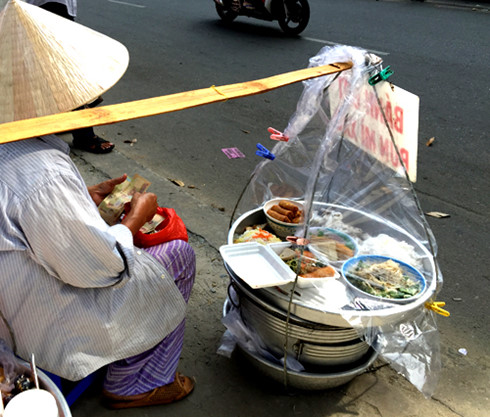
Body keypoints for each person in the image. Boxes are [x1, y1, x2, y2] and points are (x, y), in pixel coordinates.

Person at [0, 0, 195, 409]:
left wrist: (82, 199)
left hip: (12, 299)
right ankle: (135, 383)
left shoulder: (16, 149)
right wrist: (133, 221)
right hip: (38, 322)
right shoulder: (43, 170)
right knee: (178, 255)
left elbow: (22, 217)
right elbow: (99, 268)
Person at [24, 0, 116, 154]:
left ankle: (62, 121)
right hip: (50, 5)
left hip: (51, 6)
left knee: (52, 69)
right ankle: (84, 135)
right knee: (65, 72)